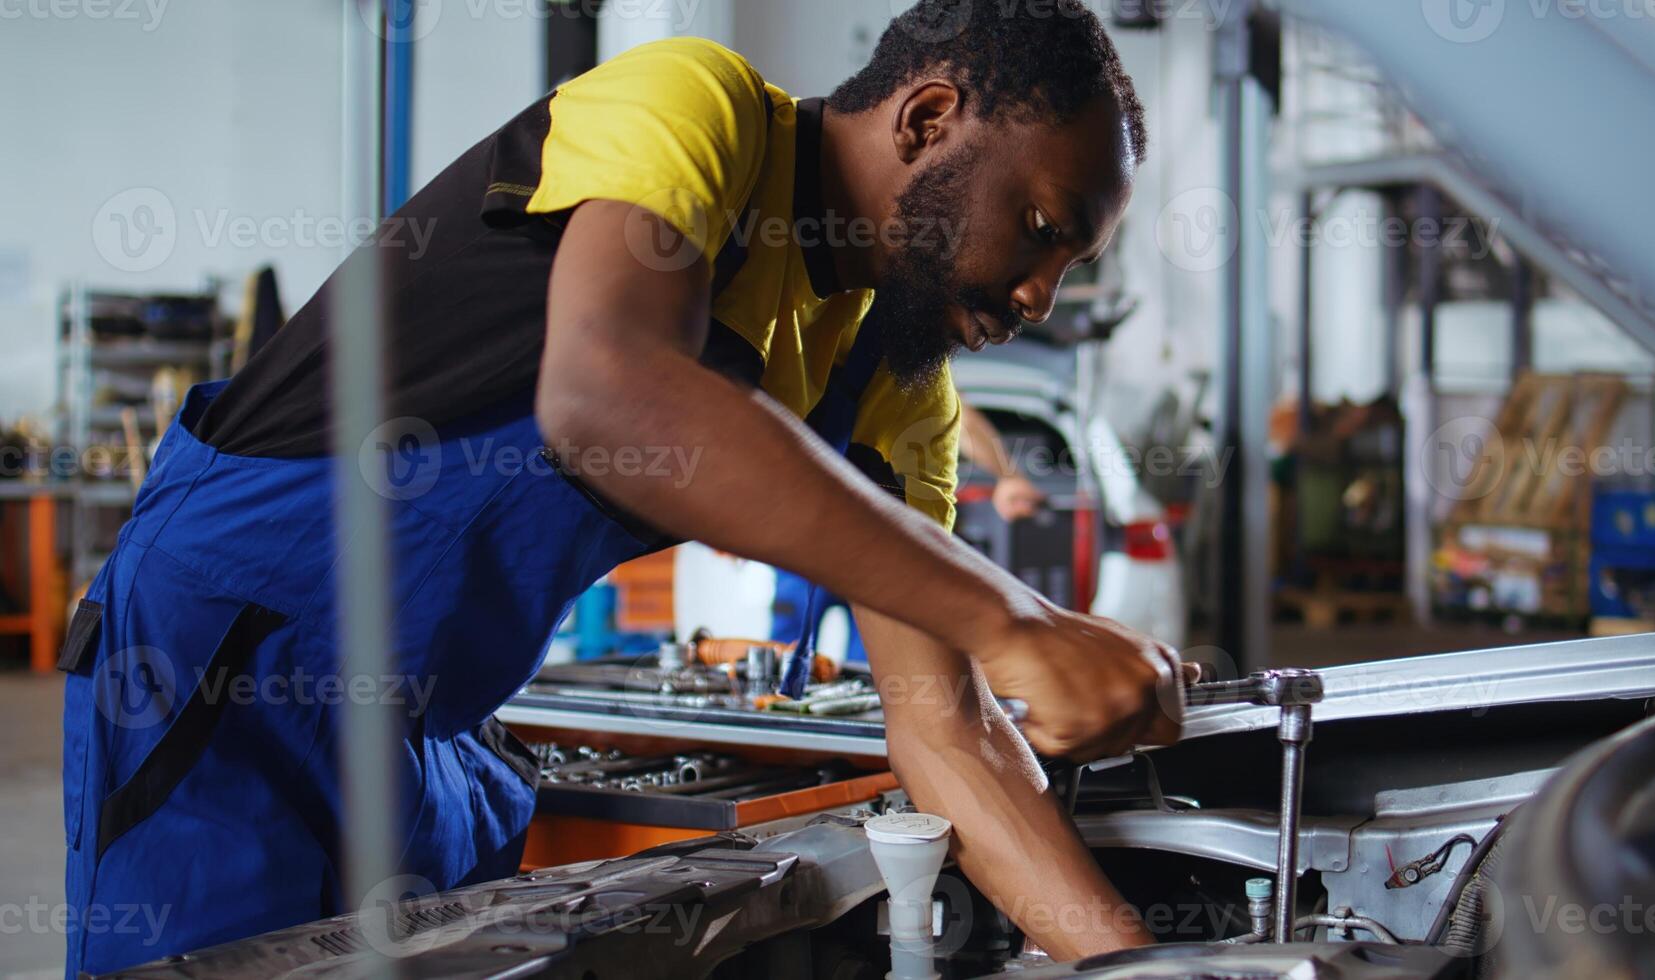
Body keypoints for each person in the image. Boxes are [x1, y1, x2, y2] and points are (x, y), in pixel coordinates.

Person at [59, 2, 1189, 973]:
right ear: (928, 119)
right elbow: (606, 392)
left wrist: (1130, 963)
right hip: (220, 682)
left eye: (1067, 265)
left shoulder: (894, 384)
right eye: (1041, 229)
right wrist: (1011, 617)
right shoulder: (698, 108)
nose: (1040, 292)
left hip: (422, 726)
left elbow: (944, 734)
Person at [771, 400, 1046, 664]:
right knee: (789, 662)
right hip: (837, 543)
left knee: (863, 668)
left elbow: (957, 414)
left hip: (844, 544)